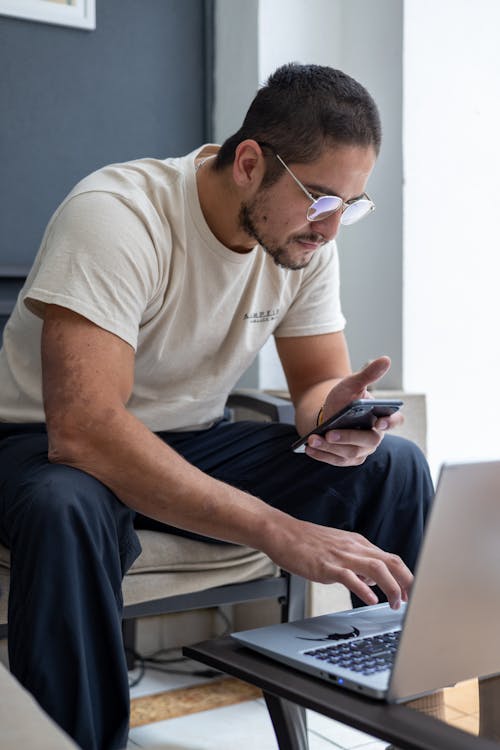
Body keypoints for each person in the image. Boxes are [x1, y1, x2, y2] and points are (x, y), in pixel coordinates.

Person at [0, 63, 433, 750]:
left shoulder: (304, 242)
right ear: (250, 162)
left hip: (190, 436)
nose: (331, 227)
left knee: (395, 467)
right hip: (39, 440)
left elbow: (316, 385)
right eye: (320, 198)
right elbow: (86, 431)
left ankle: (429, 711)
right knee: (68, 503)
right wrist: (277, 529)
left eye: (350, 206)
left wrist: (335, 417)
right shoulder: (117, 214)